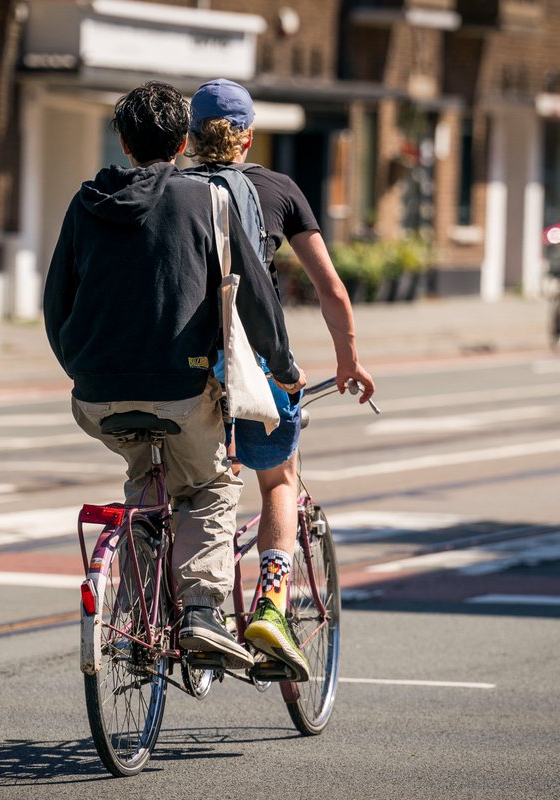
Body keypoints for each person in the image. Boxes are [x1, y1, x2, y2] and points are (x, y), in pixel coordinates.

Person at [43, 81, 305, 671]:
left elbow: (55, 302)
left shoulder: (85, 203)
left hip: (96, 395)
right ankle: (200, 614)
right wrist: (283, 369)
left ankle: (136, 617)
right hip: (182, 390)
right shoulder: (206, 202)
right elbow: (256, 302)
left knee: (145, 478)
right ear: (184, 141)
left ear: (123, 143)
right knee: (210, 486)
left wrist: (82, 368)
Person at [184, 79, 376, 681]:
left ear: (188, 137)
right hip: (250, 363)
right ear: (247, 136)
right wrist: (348, 359)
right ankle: (270, 605)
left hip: (180, 367)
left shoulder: (175, 188)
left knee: (188, 487)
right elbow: (331, 289)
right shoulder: (278, 189)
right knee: (277, 481)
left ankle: (175, 607)